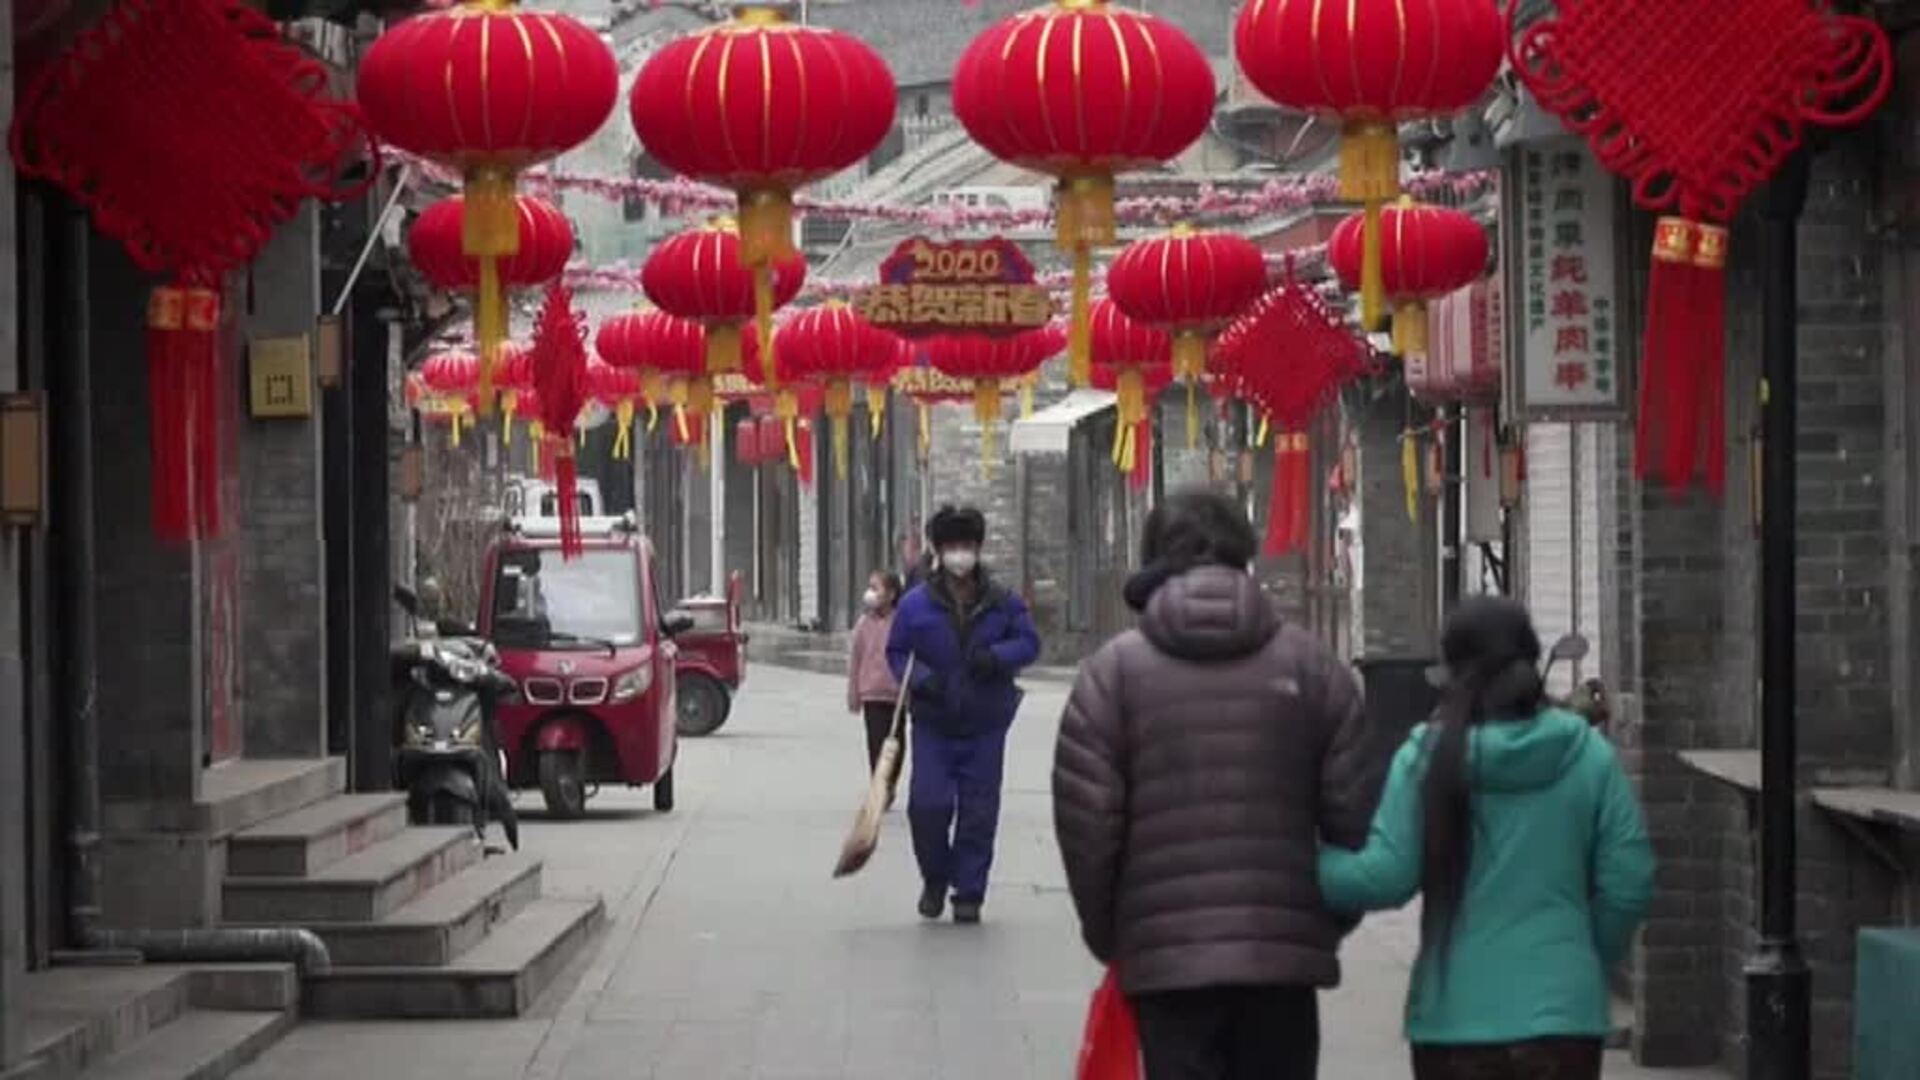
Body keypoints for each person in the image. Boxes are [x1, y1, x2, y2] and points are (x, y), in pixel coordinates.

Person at [1053, 488, 1378, 1080]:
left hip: (1166, 964)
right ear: (1243, 554)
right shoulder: (1313, 669)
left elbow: (1088, 826)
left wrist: (1116, 934)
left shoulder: (1112, 676)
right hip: (1280, 963)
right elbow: (1354, 821)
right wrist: (1315, 923)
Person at [1318, 597, 1655, 1080]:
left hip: (1455, 1019)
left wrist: (1303, 862)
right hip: (1562, 1018)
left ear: (1454, 671)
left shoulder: (1427, 756)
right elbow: (1631, 879)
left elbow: (1385, 877)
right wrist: (1581, 953)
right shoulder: (1586, 754)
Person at [887, 505, 1040, 925]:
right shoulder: (916, 605)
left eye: (966, 546)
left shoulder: (1002, 602)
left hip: (986, 722)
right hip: (934, 722)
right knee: (927, 806)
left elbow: (1029, 643)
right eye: (952, 546)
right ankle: (935, 878)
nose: (960, 555)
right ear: (939, 551)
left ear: (977, 549)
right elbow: (896, 652)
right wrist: (919, 679)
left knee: (978, 811)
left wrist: (997, 657)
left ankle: (969, 890)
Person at [847, 570, 904, 774]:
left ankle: (890, 780)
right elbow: (855, 661)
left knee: (896, 743)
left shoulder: (901, 622)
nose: (870, 593)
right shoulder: (863, 624)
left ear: (891, 594)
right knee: (875, 742)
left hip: (896, 694)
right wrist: (854, 695)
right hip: (871, 693)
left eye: (875, 588)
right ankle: (878, 784)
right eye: (869, 587)